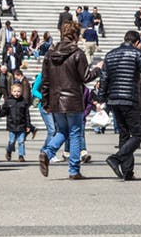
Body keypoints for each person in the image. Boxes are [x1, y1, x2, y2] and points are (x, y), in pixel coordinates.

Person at [38, 21, 101, 180]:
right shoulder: (78, 53)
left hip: (56, 100)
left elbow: (45, 81)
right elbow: (86, 77)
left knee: (62, 131)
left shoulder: (50, 54)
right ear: (75, 35)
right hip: (73, 99)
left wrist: (46, 102)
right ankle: (74, 170)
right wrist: (99, 68)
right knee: (74, 133)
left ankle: (47, 152)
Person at [98, 30, 141, 180]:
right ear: (137, 42)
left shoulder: (110, 55)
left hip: (113, 100)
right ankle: (116, 158)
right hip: (130, 99)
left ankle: (127, 171)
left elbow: (104, 79)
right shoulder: (137, 54)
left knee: (124, 134)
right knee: (137, 135)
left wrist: (102, 99)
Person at [0, 83, 30, 162]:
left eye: (18, 91)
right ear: (11, 92)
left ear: (21, 92)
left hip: (21, 125)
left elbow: (27, 115)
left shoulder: (24, 102)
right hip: (12, 125)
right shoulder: (8, 101)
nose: (17, 93)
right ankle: (9, 151)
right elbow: (4, 111)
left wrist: (28, 125)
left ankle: (21, 156)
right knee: (12, 141)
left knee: (21, 141)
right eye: (15, 91)